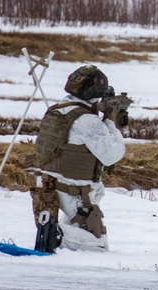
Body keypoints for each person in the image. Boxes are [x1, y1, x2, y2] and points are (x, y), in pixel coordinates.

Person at [29, 65, 130, 252]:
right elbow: (112, 154)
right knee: (98, 246)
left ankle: (54, 231)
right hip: (74, 192)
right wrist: (109, 120)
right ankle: (55, 234)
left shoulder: (58, 109)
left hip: (49, 186)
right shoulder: (87, 121)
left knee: (79, 233)